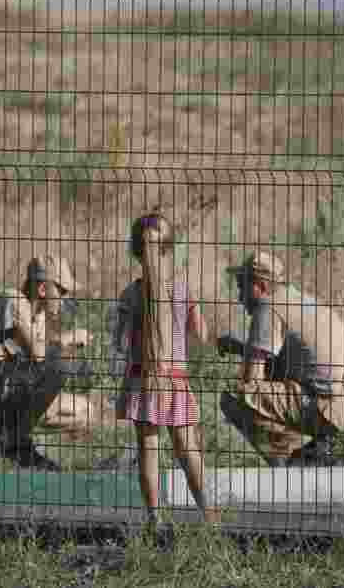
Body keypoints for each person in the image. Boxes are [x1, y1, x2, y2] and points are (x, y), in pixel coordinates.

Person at [217, 251, 344, 466]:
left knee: (236, 395)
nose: (240, 297)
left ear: (260, 286)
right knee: (271, 379)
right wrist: (243, 348)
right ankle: (319, 451)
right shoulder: (302, 300)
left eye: (242, 287)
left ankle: (292, 465)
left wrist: (246, 356)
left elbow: (250, 381)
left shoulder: (268, 306)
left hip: (330, 407)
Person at [111, 212, 220, 528]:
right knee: (187, 448)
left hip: (142, 380)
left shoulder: (130, 294)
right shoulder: (181, 289)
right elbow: (201, 334)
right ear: (167, 248)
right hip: (174, 379)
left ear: (136, 250)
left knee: (149, 449)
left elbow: (119, 342)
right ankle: (208, 513)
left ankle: (154, 518)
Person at [0, 255, 94, 471]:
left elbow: (34, 359)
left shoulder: (38, 316)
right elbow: (38, 354)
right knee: (57, 370)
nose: (65, 299)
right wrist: (68, 339)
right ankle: (0, 445)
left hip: (1, 391)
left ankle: (12, 443)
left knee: (84, 410)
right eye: (61, 291)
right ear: (43, 290)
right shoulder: (14, 303)